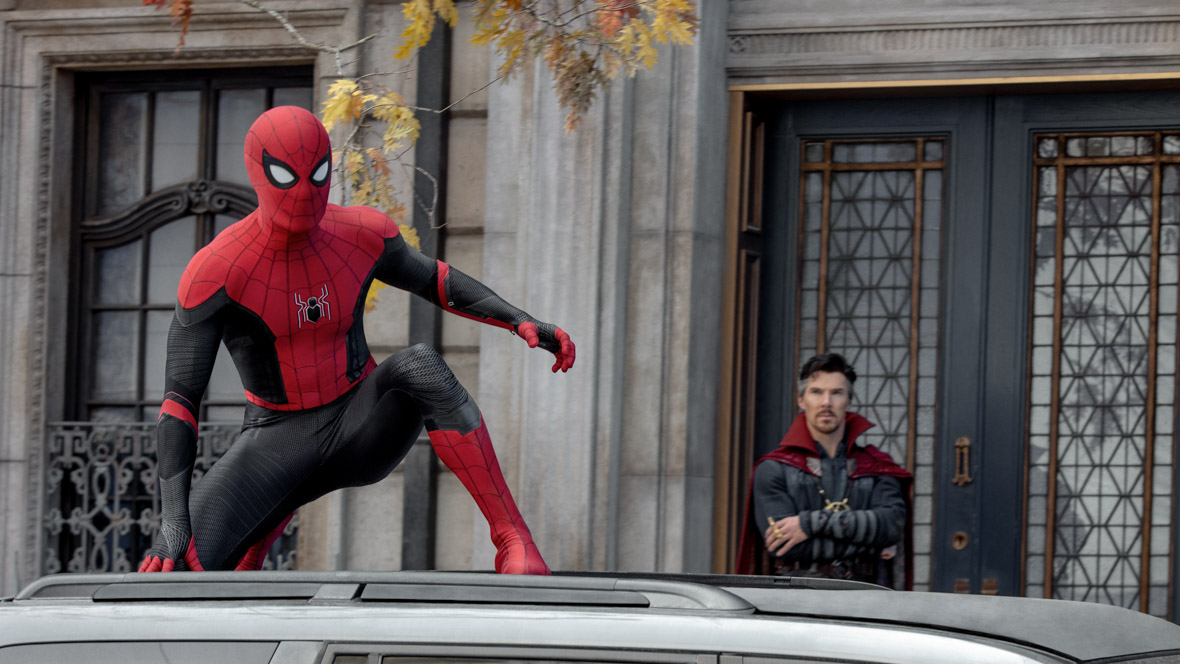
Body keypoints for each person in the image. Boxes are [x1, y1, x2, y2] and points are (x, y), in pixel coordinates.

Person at [138, 106, 573, 576]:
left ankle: (513, 539)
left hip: (361, 421)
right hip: (276, 438)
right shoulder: (216, 270)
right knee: (175, 568)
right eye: (286, 176)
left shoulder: (362, 233)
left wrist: (519, 320)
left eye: (318, 174)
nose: (305, 193)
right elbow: (179, 404)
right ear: (258, 172)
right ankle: (254, 547)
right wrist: (174, 523)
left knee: (420, 365)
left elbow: (435, 279)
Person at [736, 353, 910, 582]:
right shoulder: (774, 468)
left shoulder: (876, 467)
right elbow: (784, 547)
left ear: (848, 400)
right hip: (797, 601)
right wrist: (869, 544)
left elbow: (890, 527)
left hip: (866, 599)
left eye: (836, 393)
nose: (826, 402)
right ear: (801, 400)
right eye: (816, 392)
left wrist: (807, 524)